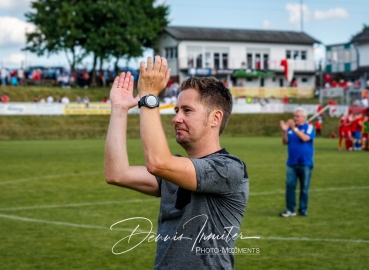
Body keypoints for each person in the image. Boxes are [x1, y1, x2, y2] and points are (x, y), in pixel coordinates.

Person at [104, 56, 249, 269]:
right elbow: (117, 173)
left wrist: (149, 96)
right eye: (176, 110)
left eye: (187, 110)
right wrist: (119, 109)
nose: (176, 118)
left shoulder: (230, 168)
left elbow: (158, 163)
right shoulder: (174, 169)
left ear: (215, 118)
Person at [279, 107, 315, 217]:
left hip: (305, 163)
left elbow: (305, 138)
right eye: (294, 116)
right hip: (292, 163)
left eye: (297, 116)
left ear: (304, 117)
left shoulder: (309, 127)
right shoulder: (290, 128)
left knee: (304, 188)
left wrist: (293, 128)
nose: (295, 118)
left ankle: (303, 209)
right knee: (290, 186)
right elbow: (285, 142)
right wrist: (285, 131)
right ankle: (290, 209)